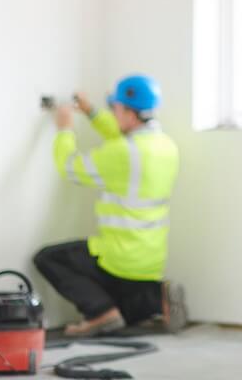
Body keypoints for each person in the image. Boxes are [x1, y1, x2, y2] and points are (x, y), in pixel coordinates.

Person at [34, 74, 187, 336]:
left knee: (49, 258)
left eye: (113, 109)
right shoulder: (165, 145)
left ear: (129, 112)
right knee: (127, 307)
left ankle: (100, 313)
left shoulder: (122, 153)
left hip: (119, 257)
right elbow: (120, 134)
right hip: (151, 260)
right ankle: (155, 298)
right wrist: (91, 112)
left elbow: (69, 167)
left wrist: (65, 129)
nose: (112, 114)